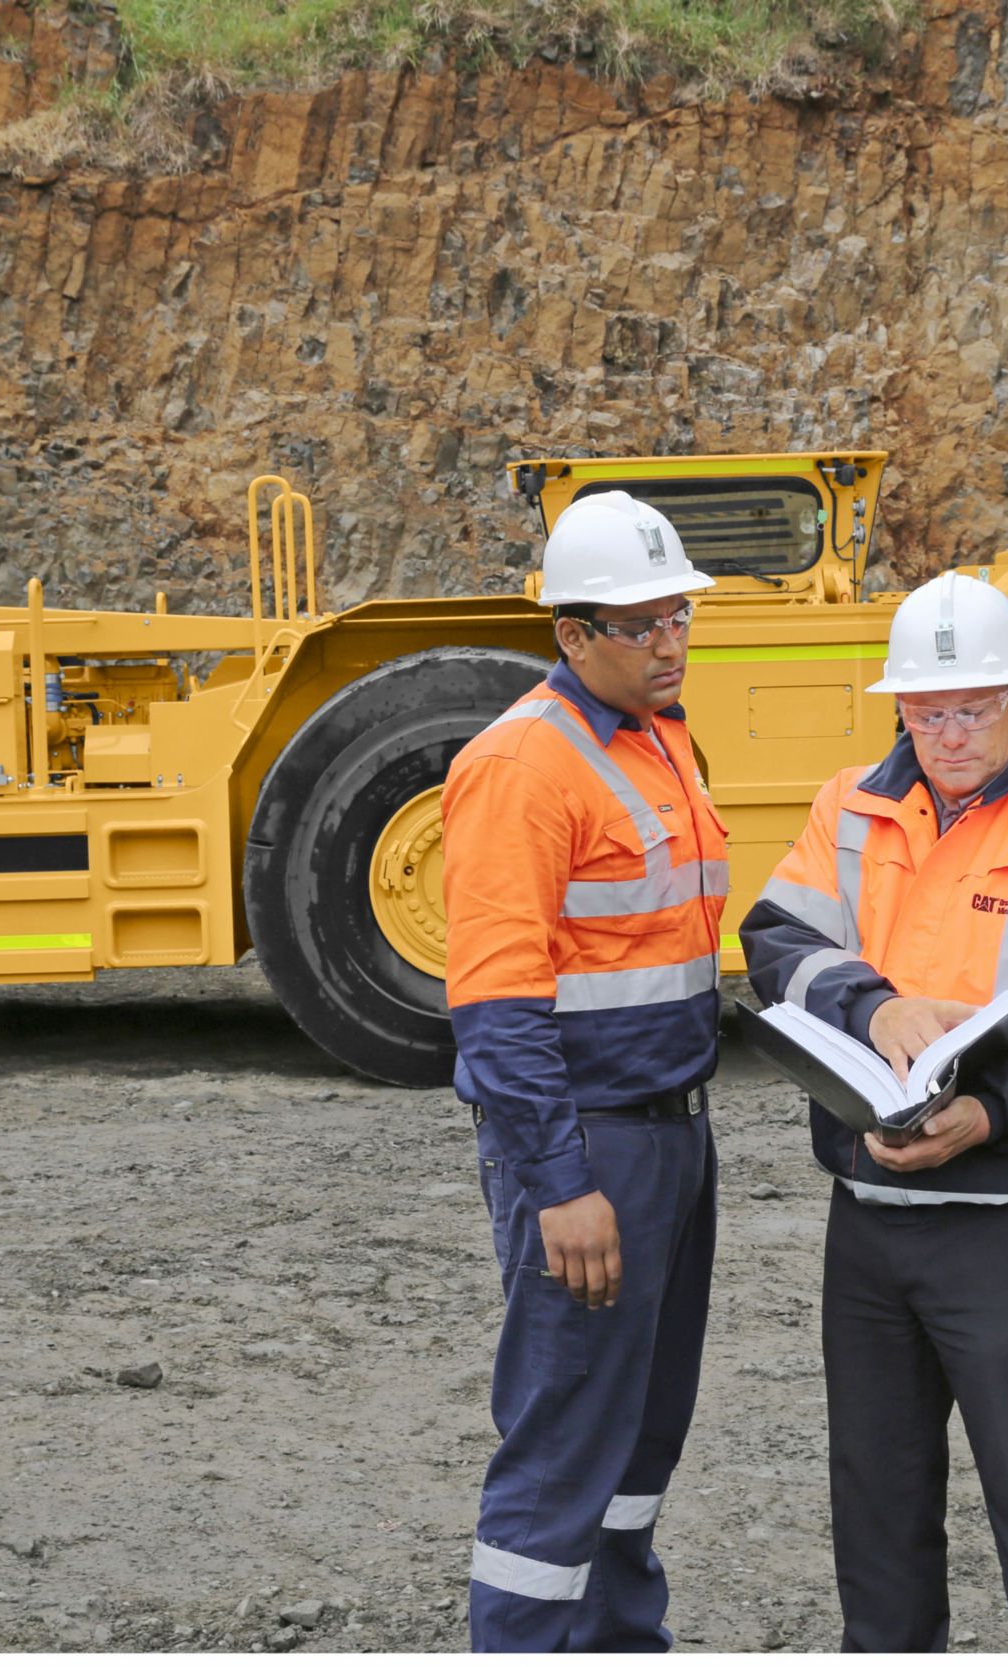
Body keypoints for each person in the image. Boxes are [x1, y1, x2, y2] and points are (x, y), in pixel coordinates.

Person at [738, 570, 1008, 1652]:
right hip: (871, 1213)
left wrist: (991, 1117)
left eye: (972, 706)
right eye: (927, 710)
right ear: (899, 709)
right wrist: (872, 1004)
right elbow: (776, 941)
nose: (948, 731)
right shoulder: (850, 808)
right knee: (876, 1518)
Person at [442, 490, 731, 1652]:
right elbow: (496, 1007)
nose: (670, 642)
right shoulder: (521, 764)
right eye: (642, 623)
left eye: (679, 616)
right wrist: (559, 1182)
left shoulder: (662, 737)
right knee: (564, 1446)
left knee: (638, 1444)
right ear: (571, 633)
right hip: (593, 1143)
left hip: (671, 1133)